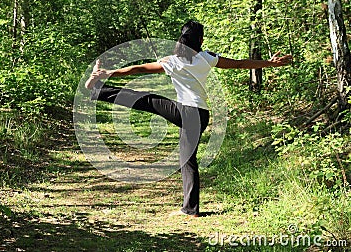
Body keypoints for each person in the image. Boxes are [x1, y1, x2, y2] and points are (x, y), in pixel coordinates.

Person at [85, 20, 292, 217]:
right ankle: (191, 210)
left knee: (147, 100)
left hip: (186, 112)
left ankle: (98, 90)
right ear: (200, 41)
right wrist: (270, 63)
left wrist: (108, 72)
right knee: (187, 159)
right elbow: (239, 64)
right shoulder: (207, 58)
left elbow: (137, 69)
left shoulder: (173, 62)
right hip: (201, 115)